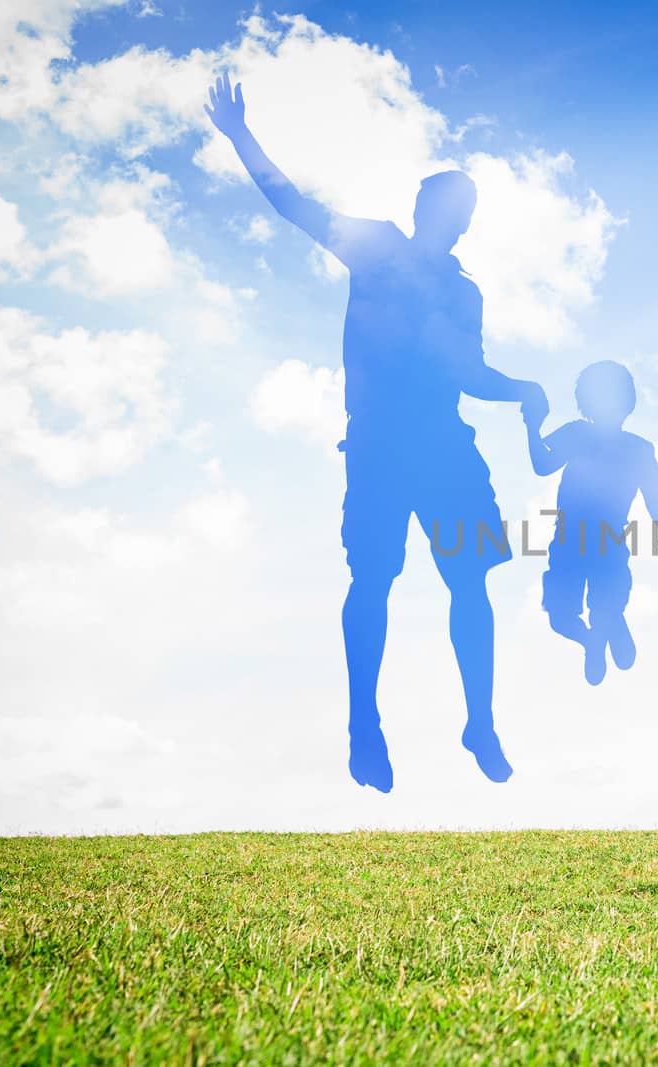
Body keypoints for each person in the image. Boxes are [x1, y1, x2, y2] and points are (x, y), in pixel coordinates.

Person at [205, 74, 547, 793]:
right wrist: (240, 137)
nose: (456, 216)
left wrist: (523, 388)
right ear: (423, 208)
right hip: (382, 443)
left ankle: (477, 721)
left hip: (444, 445)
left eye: (466, 210)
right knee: (374, 577)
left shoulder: (463, 291)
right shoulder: (378, 249)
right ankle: (365, 721)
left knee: (470, 579)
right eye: (448, 204)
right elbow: (293, 205)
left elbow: (470, 372)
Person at [522, 361, 658, 685]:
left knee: (572, 614)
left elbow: (656, 502)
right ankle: (596, 636)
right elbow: (543, 465)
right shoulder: (584, 436)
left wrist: (531, 428)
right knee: (564, 616)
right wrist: (531, 429)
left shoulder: (628, 446)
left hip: (592, 543)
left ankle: (606, 625)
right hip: (587, 543)